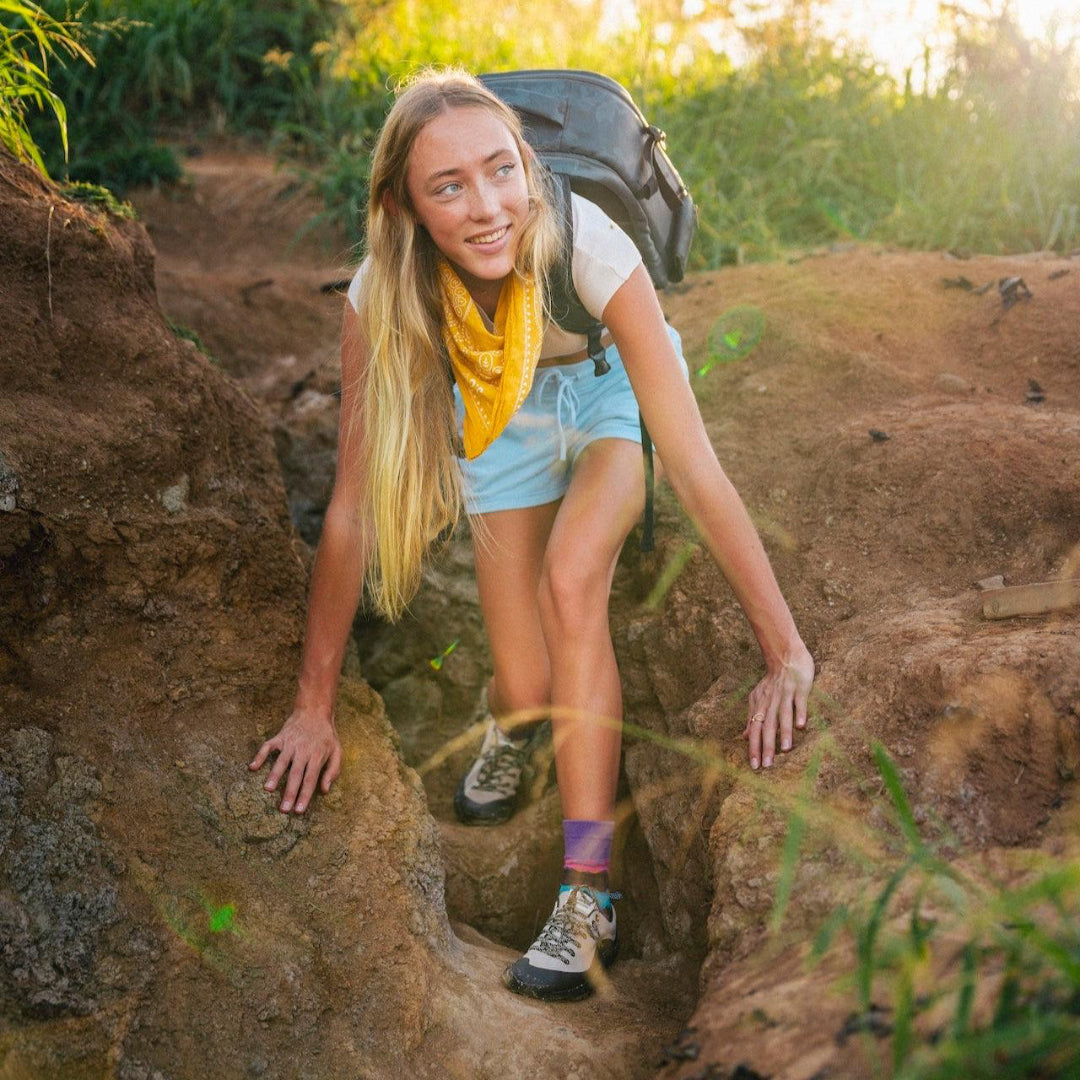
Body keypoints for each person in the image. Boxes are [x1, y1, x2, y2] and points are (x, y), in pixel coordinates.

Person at [248, 67, 815, 1002]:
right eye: (449, 186)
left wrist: (785, 651)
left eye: (501, 169)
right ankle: (510, 723)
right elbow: (349, 508)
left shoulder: (585, 240)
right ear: (402, 205)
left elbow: (696, 464)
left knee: (570, 580)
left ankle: (586, 890)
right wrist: (313, 704)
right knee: (525, 683)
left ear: (526, 164)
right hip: (497, 410)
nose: (487, 207)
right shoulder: (379, 296)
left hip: (605, 390)